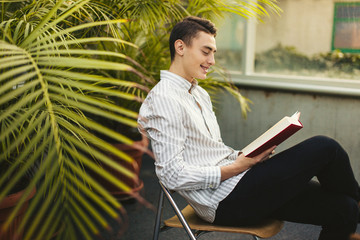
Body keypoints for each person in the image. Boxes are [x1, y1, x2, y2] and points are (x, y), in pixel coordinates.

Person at [138, 16, 360, 240]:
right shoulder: (164, 98)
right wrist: (236, 167)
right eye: (206, 52)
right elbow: (170, 175)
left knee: (345, 209)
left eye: (213, 53)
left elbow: (211, 152)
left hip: (240, 183)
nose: (212, 60)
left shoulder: (198, 93)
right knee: (325, 147)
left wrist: (247, 156)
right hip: (224, 202)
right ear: (180, 47)